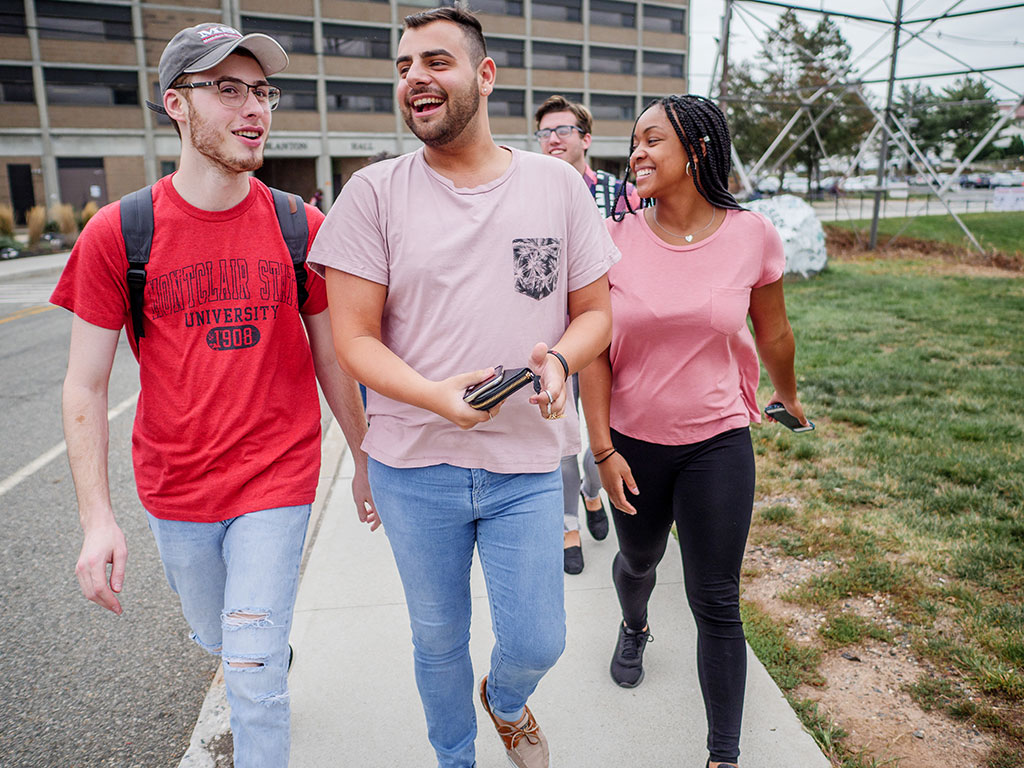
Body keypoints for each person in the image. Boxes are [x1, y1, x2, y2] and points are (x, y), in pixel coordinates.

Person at [51, 23, 376, 768]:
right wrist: (97, 518)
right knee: (221, 638)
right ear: (177, 104)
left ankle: (261, 659)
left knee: (252, 676)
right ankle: (255, 645)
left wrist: (363, 457)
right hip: (176, 489)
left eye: (261, 90)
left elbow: (335, 361)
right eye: (227, 89)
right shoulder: (118, 233)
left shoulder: (302, 228)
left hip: (277, 477)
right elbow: (84, 382)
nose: (253, 107)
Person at [306, 7, 618, 768]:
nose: (416, 77)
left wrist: (561, 362)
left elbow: (596, 314)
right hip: (415, 467)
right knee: (437, 636)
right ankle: (456, 756)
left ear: (484, 76)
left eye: (436, 61)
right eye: (405, 66)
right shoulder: (371, 194)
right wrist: (436, 398)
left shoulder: (556, 186)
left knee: (539, 637)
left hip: (526, 465)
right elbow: (352, 340)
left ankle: (504, 700)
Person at [579, 94, 810, 768]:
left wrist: (786, 396)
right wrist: (602, 450)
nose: (637, 153)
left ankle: (723, 755)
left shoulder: (753, 235)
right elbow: (594, 354)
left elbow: (775, 331)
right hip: (635, 444)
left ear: (698, 151)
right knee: (639, 563)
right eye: (634, 142)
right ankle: (635, 624)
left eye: (653, 140)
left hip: (717, 441)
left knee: (715, 599)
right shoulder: (613, 240)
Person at [533, 94, 643, 574]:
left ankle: (593, 493)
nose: (553, 138)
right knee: (560, 434)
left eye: (563, 130)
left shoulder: (622, 196)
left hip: (609, 335)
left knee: (603, 433)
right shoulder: (531, 194)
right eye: (545, 132)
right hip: (554, 339)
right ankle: (567, 524)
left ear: (586, 139)